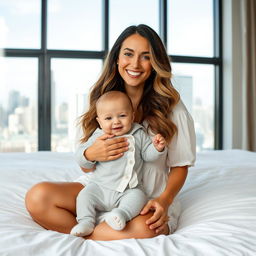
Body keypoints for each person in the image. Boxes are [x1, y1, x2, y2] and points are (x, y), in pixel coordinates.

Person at [25, 24, 196, 241]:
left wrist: (165, 200)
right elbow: (86, 168)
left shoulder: (173, 107)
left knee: (146, 228)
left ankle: (86, 236)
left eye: (145, 56)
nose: (135, 64)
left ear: (155, 63)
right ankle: (98, 230)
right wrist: (91, 154)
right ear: (116, 58)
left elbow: (180, 166)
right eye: (128, 54)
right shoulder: (102, 99)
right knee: (38, 197)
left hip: (142, 198)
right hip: (99, 190)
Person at [71, 90, 167, 237]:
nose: (116, 121)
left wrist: (157, 148)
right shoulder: (98, 136)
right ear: (99, 121)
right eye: (108, 118)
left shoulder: (139, 133)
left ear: (132, 116)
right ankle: (86, 222)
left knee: (139, 197)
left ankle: (121, 214)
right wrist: (89, 154)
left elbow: (148, 156)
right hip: (99, 188)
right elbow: (81, 158)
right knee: (84, 196)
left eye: (122, 116)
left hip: (128, 190)